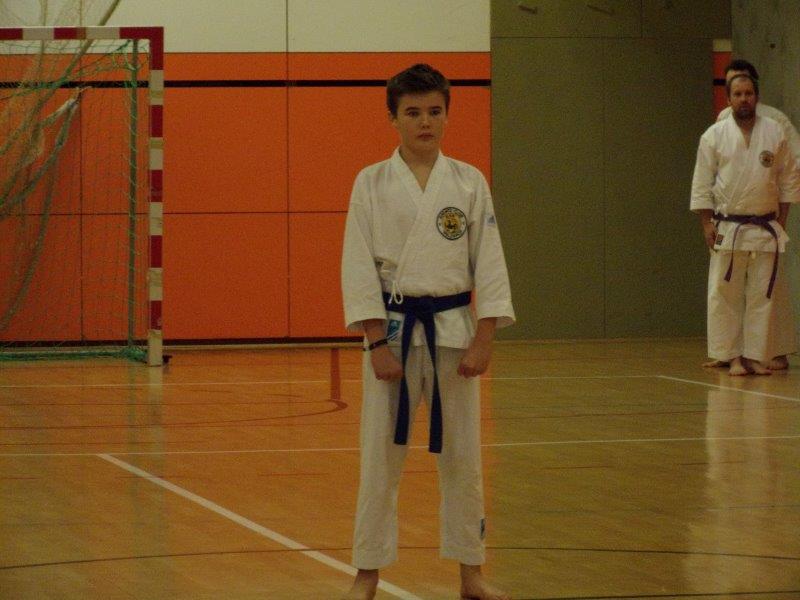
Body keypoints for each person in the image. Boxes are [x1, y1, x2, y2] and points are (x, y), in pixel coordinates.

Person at [340, 64, 515, 600]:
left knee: (463, 459)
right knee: (379, 460)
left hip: (454, 336)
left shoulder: (468, 181)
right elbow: (357, 266)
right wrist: (375, 342)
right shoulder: (371, 182)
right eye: (412, 112)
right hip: (393, 335)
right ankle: (367, 574)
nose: (425, 122)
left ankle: (471, 573)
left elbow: (489, 262)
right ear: (393, 118)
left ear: (447, 116)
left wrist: (485, 336)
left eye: (435, 112)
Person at [691, 73, 800, 376]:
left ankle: (755, 356)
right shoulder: (714, 135)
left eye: (748, 93)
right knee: (724, 293)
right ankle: (731, 356)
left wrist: (781, 220)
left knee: (762, 294)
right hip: (727, 226)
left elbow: (788, 179)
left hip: (765, 226)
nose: (744, 99)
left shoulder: (774, 131)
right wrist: (706, 224)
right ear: (728, 99)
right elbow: (702, 182)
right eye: (737, 94)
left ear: (757, 97)